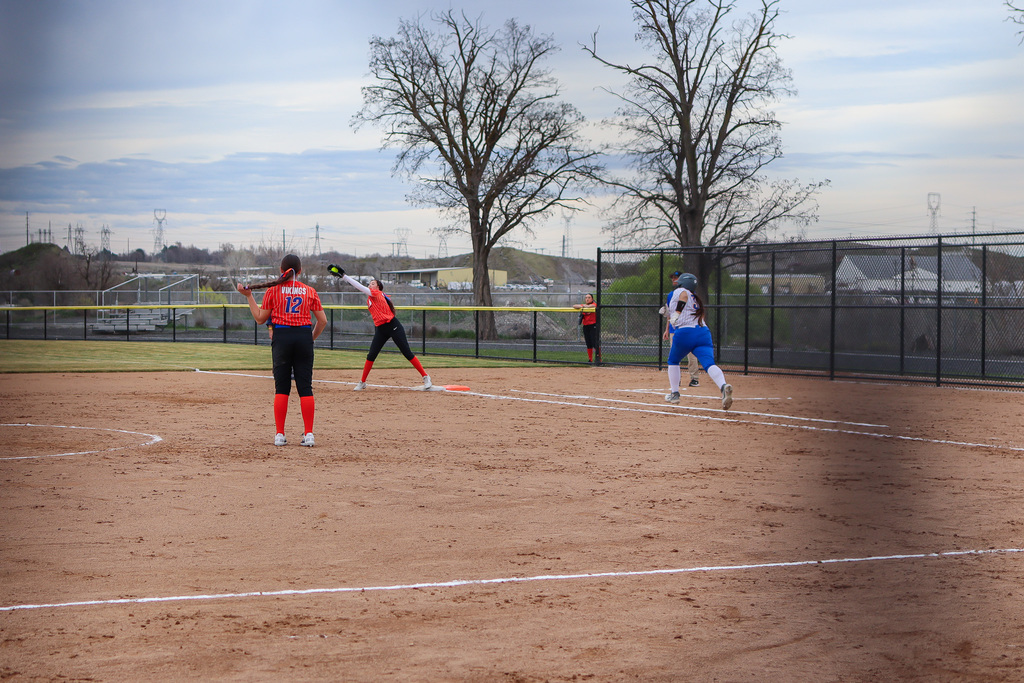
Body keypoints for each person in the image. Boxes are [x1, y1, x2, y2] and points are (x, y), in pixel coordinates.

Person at [237, 254, 327, 447]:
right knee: (305, 387)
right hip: (303, 336)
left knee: (282, 388)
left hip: (282, 338)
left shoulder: (273, 291)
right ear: (300, 271)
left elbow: (260, 318)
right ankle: (309, 434)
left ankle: (280, 434)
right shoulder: (309, 291)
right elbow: (322, 321)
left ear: (281, 270)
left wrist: (249, 296)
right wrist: (310, 338)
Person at [327, 264, 432, 390]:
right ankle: (362, 382)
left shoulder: (377, 293)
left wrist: (344, 276)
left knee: (407, 352)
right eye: (370, 283)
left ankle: (426, 376)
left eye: (373, 283)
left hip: (393, 326)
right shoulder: (370, 298)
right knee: (371, 355)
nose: (370, 285)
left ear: (378, 287)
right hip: (381, 329)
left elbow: (359, 287)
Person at [664, 273, 733, 410]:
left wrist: (676, 314)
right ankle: (723, 386)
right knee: (709, 364)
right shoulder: (696, 298)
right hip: (703, 333)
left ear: (682, 283)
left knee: (673, 361)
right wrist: (669, 312)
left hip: (685, 332)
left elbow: (683, 296)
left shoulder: (681, 291)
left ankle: (674, 393)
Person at [662, 271, 700, 387]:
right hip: (674, 329)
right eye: (673, 278)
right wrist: (667, 329)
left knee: (692, 355)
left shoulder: (690, 294)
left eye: (676, 278)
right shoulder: (671, 294)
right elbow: (670, 313)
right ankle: (676, 379)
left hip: (687, 328)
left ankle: (694, 378)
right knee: (675, 355)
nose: (674, 280)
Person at [573, 292, 599, 362]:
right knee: (588, 343)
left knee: (594, 342)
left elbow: (592, 306)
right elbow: (574, 306)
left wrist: (583, 306)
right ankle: (590, 359)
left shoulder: (594, 304)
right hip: (586, 326)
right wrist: (583, 306)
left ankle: (598, 358)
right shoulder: (584, 305)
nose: (587, 299)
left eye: (589, 298)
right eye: (586, 298)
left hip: (593, 325)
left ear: (592, 299)